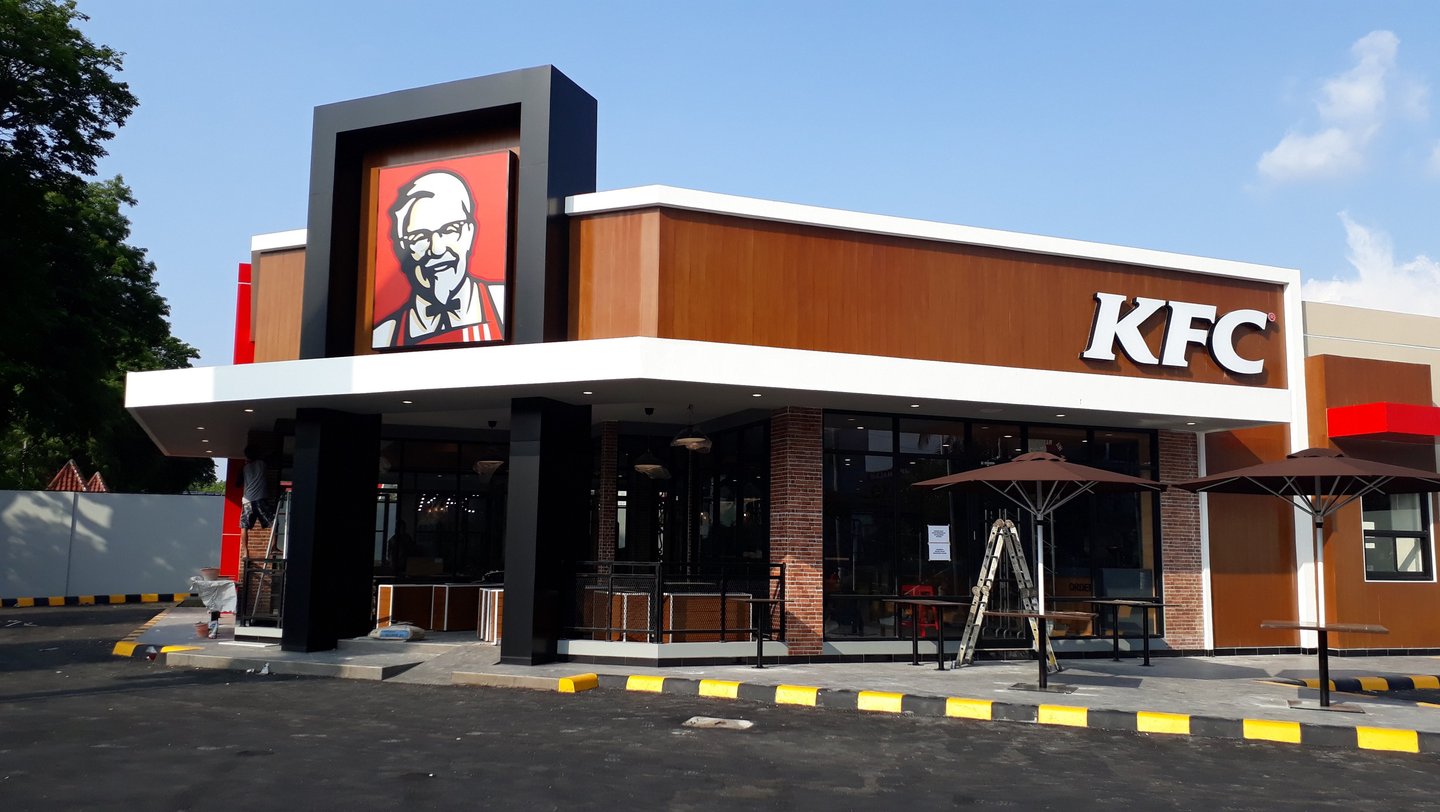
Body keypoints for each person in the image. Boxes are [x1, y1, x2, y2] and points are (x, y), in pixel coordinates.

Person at [371, 169, 504, 348]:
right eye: (419, 237)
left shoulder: (502, 305)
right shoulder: (384, 335)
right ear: (402, 248)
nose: (437, 249)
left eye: (449, 230)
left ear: (470, 233)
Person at [239, 446, 276, 531]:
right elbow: (272, 455)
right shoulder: (262, 463)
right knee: (272, 523)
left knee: (244, 526)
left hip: (247, 500)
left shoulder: (244, 468)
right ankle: (274, 540)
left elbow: (237, 484)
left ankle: (244, 541)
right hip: (261, 499)